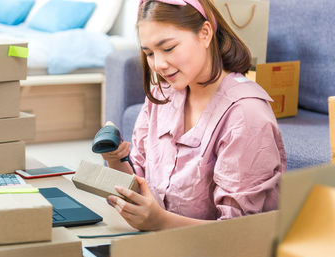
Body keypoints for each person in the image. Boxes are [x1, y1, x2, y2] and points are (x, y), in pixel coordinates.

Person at [101, 0, 286, 231]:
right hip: (157, 243)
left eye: (168, 48)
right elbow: (140, 186)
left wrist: (160, 222)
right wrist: (115, 158)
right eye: (149, 53)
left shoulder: (245, 114)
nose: (158, 64)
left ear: (205, 33)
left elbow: (239, 232)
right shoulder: (161, 96)